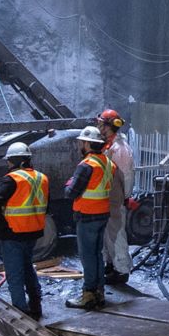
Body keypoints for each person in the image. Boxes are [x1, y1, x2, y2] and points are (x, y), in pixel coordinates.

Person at [0, 140, 48, 318]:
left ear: (16, 161)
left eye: (9, 161)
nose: (8, 164)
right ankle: (36, 305)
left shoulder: (12, 179)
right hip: (33, 232)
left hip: (14, 233)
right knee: (28, 267)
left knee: (15, 275)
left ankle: (21, 313)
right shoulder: (42, 178)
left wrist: (1, 228)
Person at [63, 125, 115, 309]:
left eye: (81, 142)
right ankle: (99, 292)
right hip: (102, 214)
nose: (80, 146)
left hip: (87, 215)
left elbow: (70, 192)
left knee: (88, 257)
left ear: (87, 143)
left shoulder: (86, 165)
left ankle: (88, 294)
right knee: (97, 255)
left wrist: (68, 183)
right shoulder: (107, 163)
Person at [97, 108, 135, 285]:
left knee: (117, 235)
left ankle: (121, 271)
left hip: (116, 198)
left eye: (101, 124)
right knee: (108, 235)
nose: (98, 127)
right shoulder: (109, 146)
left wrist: (125, 197)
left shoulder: (120, 149)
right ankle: (111, 265)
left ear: (108, 127)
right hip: (107, 198)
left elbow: (126, 176)